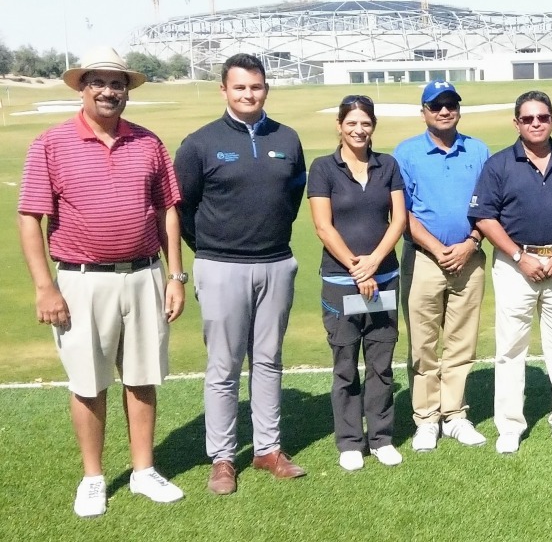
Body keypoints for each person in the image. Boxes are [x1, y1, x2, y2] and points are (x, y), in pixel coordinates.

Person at [18, 47, 187, 517]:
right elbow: (30, 217)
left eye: (118, 84)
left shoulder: (148, 143)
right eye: (98, 82)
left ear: (127, 92)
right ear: (82, 88)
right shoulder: (51, 143)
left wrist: (175, 275)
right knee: (88, 382)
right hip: (81, 280)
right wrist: (44, 287)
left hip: (145, 274)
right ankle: (93, 478)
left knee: (143, 377)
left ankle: (143, 470)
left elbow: (167, 211)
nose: (109, 91)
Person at [174, 53, 308, 494]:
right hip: (221, 266)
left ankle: (268, 449)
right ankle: (223, 457)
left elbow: (291, 198)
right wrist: (208, 249)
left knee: (269, 360)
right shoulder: (200, 143)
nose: (249, 95)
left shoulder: (287, 138)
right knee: (224, 366)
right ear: (224, 90)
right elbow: (182, 208)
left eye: (256, 87)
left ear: (265, 88)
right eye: (240, 87)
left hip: (276, 263)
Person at [469, 90, 552, 454]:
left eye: (542, 117)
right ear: (516, 123)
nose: (536, 123)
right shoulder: (499, 165)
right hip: (515, 266)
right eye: (528, 118)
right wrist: (518, 255)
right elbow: (484, 216)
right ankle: (510, 426)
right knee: (511, 348)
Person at [309, 95, 406, 470]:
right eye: (351, 122)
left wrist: (375, 263)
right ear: (339, 126)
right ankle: (350, 441)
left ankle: (381, 437)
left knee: (381, 363)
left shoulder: (388, 165)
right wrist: (357, 269)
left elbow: (398, 220)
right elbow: (323, 226)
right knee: (345, 362)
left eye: (365, 123)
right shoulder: (323, 168)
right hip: (341, 281)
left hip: (385, 278)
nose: (358, 129)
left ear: (373, 126)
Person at [393, 81, 490, 452]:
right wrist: (436, 248)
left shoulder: (478, 150)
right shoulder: (407, 153)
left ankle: (454, 415)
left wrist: (471, 243)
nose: (445, 111)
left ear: (459, 110)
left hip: (470, 257)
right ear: (424, 113)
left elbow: (489, 206)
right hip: (423, 259)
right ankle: (427, 418)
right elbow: (402, 212)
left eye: (451, 104)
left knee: (462, 342)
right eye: (436, 106)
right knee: (423, 344)